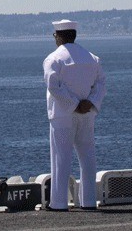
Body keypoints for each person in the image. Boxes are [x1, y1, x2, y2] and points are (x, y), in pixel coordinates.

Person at [43, 19, 106, 211]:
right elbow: (101, 84)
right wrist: (89, 102)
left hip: (63, 115)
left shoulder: (54, 59)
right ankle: (88, 201)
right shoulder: (92, 58)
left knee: (61, 158)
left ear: (59, 36)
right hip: (87, 114)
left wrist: (73, 104)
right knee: (87, 157)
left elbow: (54, 87)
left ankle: (59, 202)